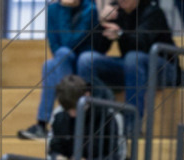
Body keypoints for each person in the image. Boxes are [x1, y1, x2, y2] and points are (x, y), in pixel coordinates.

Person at [75, 0, 177, 128]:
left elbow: (142, 44)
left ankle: (132, 125)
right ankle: (100, 110)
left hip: (164, 70)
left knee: (133, 58)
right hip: (133, 68)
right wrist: (102, 23)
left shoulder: (153, 12)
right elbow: (98, 47)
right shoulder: (117, 12)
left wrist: (120, 34)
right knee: (86, 60)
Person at [31, 74, 124, 160]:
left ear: (87, 94)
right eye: (68, 109)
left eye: (75, 107)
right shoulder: (59, 115)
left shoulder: (110, 115)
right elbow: (53, 150)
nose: (72, 114)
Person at [18, 0, 102, 141]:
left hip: (84, 62)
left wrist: (65, 10)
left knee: (63, 54)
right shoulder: (52, 10)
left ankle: (67, 114)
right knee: (49, 66)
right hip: (65, 61)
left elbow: (70, 41)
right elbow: (54, 44)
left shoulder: (90, 10)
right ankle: (42, 124)